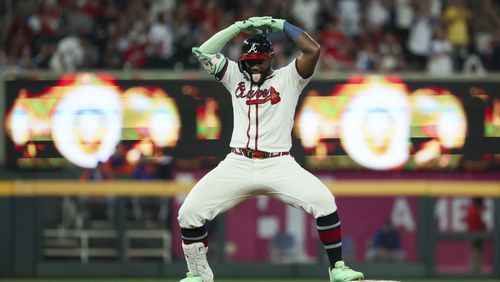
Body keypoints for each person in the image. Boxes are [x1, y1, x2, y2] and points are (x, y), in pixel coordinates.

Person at [177, 16, 364, 282]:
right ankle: (198, 273)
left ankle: (337, 269)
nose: (254, 64)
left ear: (270, 59)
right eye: (249, 61)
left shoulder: (289, 78)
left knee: (324, 203)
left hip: (279, 163)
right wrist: (237, 28)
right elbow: (204, 52)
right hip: (237, 162)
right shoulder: (233, 76)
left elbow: (313, 49)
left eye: (260, 60)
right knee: (189, 213)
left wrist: (280, 25)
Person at [465, 197, 487, 274]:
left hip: (478, 233)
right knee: (476, 251)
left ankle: (477, 269)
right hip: (475, 233)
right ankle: (474, 270)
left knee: (478, 251)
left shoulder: (476, 210)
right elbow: (471, 221)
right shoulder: (473, 209)